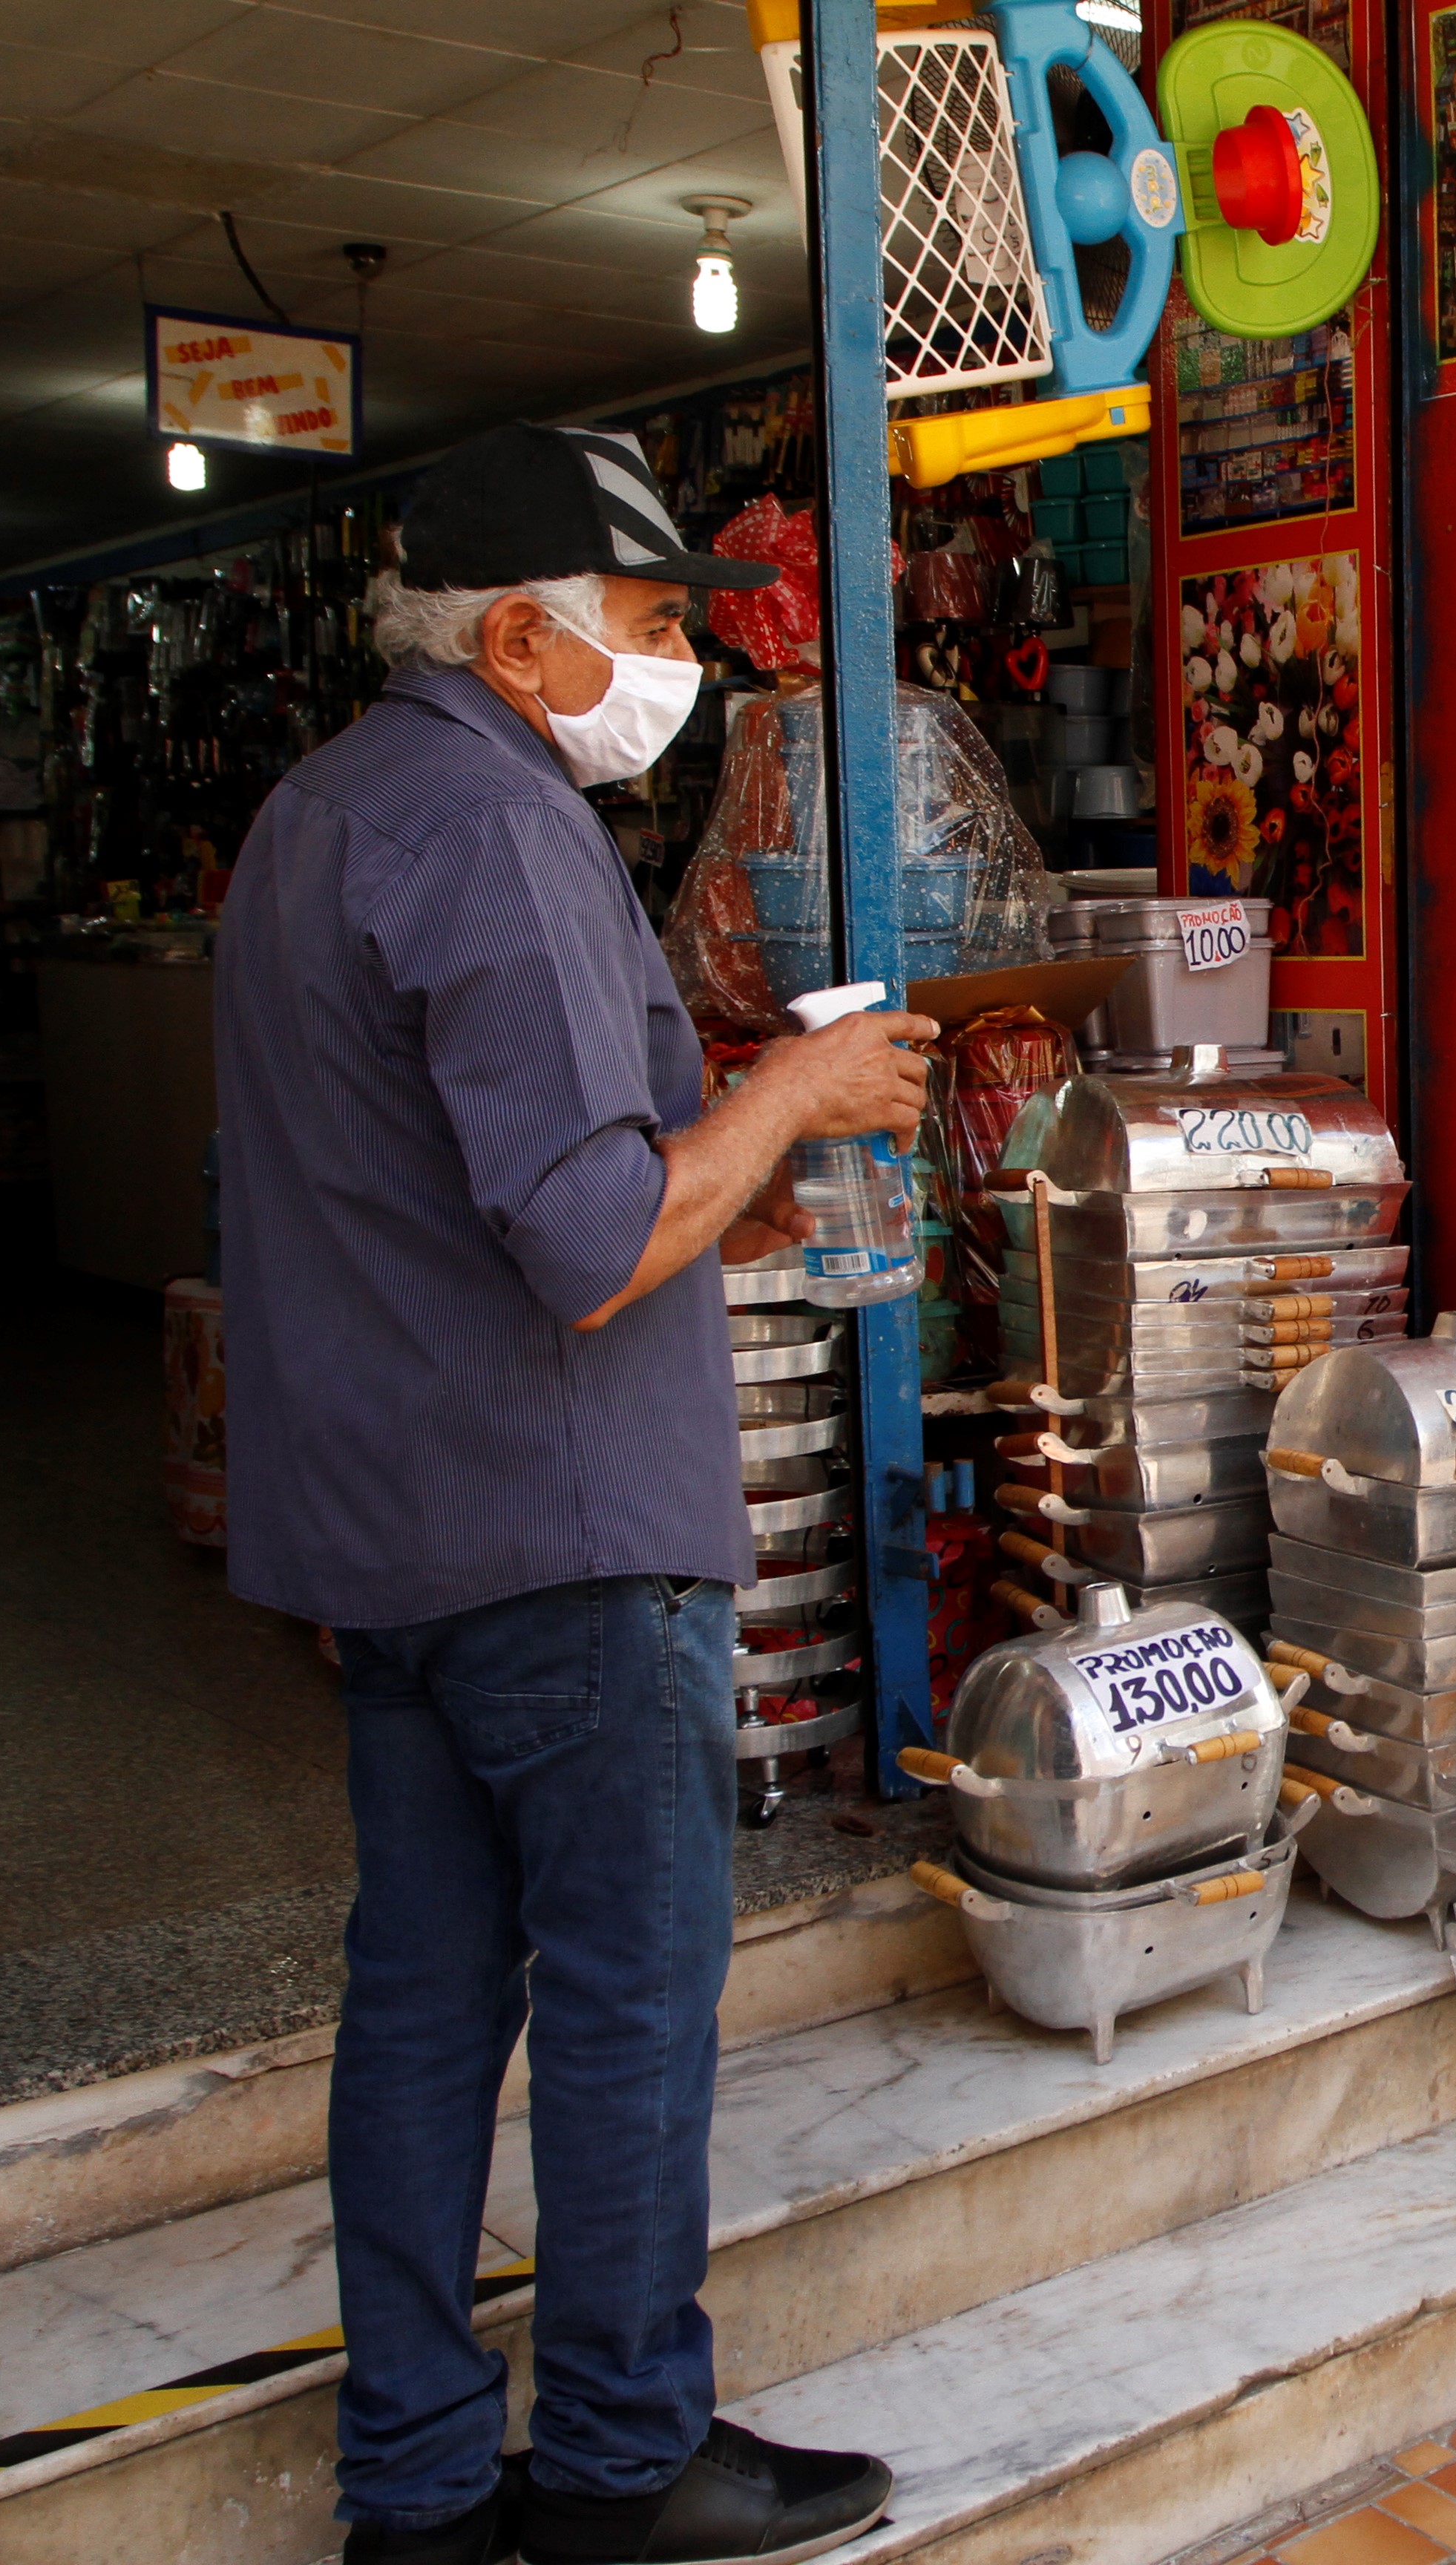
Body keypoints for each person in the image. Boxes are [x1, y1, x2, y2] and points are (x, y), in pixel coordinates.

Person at [217, 424, 924, 2565]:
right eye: (637, 626)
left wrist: (735, 1207)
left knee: (426, 1999)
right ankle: (624, 2454)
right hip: (562, 1542)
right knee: (625, 1994)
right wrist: (788, 1093)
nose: (665, 669)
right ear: (516, 637)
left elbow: (430, 1194)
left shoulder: (313, 817)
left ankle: (420, 2484)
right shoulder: (494, 822)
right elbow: (584, 1237)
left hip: (393, 1532)